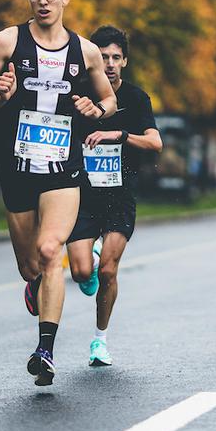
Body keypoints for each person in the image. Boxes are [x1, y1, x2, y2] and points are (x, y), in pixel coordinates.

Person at [0, 0, 116, 386]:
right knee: (29, 264)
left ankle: (45, 351)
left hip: (62, 165)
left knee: (51, 249)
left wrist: (97, 109)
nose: (43, 1)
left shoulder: (86, 52)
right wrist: (0, 97)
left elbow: (109, 100)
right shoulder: (7, 42)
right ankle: (34, 285)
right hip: (16, 165)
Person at [67, 26, 162, 368]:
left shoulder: (136, 99)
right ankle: (88, 262)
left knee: (109, 270)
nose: (109, 64)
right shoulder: (79, 94)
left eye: (115, 58)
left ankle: (99, 341)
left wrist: (119, 135)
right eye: (103, 57)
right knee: (81, 273)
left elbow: (155, 143)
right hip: (81, 196)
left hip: (120, 195)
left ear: (125, 61)